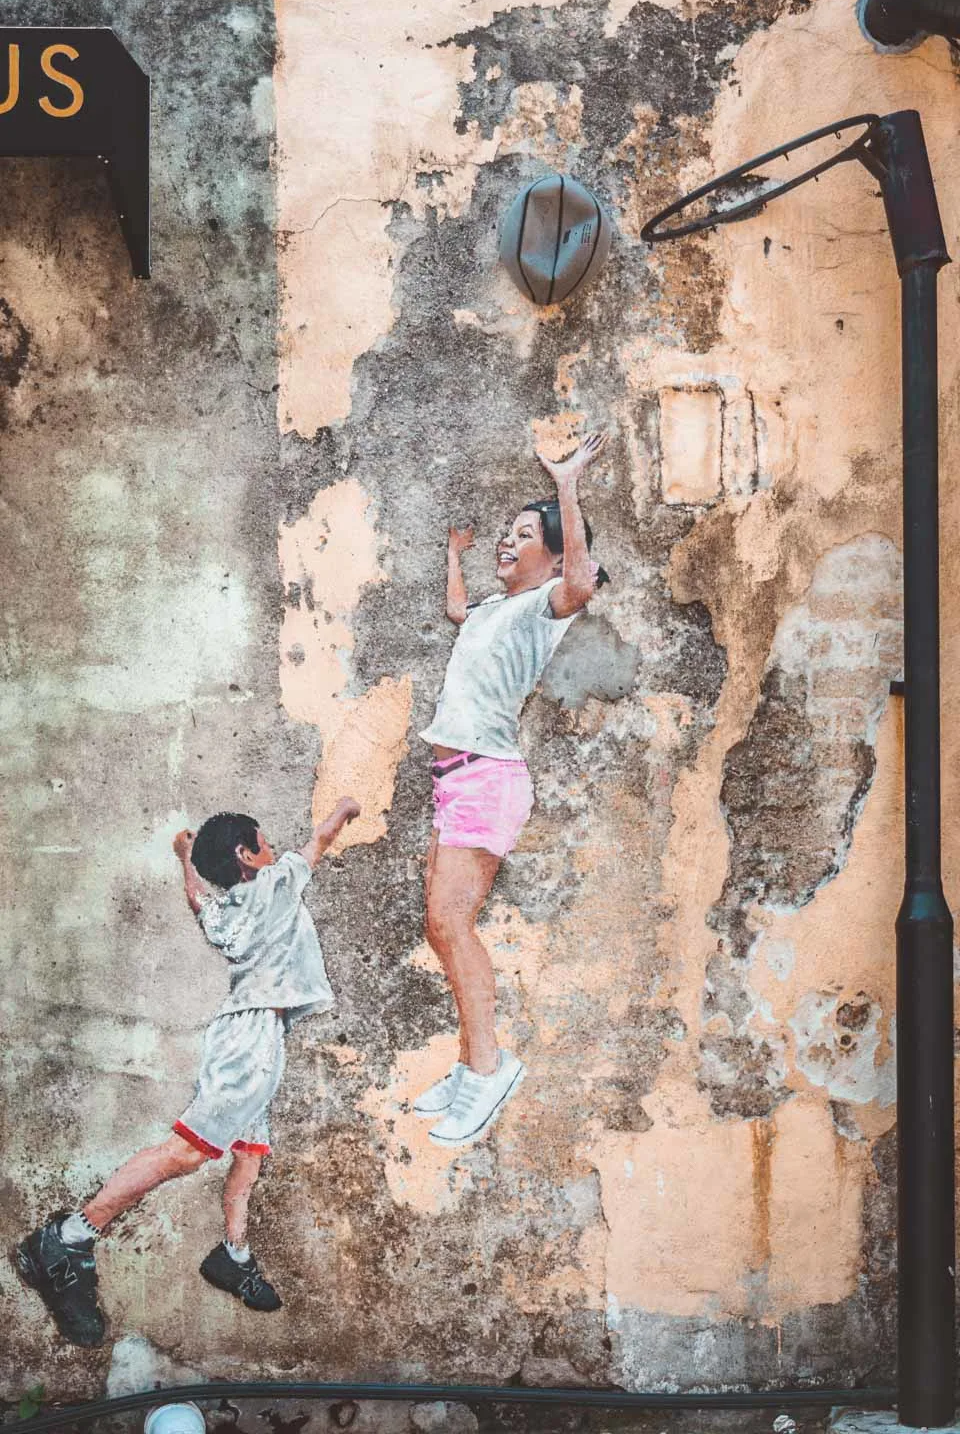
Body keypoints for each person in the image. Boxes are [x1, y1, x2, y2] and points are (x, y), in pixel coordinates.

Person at [15, 794, 360, 1347]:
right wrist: (343, 811)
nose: (274, 849)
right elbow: (319, 840)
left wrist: (183, 858)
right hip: (249, 1040)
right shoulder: (275, 884)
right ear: (248, 855)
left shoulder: (224, 912)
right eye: (265, 843)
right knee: (187, 1151)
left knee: (248, 1156)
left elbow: (198, 901)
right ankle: (69, 1236)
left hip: (258, 1035)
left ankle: (233, 1254)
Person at [415, 431, 609, 1149]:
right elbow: (457, 614)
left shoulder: (542, 610)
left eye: (523, 536)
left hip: (485, 780)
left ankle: (489, 1069)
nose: (508, 542)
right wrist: (456, 556)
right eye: (509, 532)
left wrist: (566, 486)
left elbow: (581, 585)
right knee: (442, 927)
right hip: (455, 781)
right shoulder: (497, 610)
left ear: (553, 556)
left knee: (451, 924)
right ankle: (472, 1067)